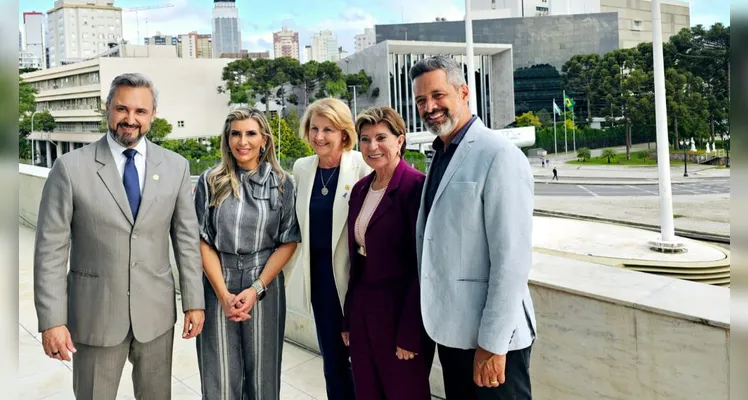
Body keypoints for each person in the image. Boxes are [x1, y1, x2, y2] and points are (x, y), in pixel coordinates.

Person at [34, 73, 205, 399]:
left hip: (155, 317)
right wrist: (52, 321)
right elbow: (50, 251)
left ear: (153, 114)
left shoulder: (176, 167)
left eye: (140, 111)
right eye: (121, 109)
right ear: (108, 109)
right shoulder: (69, 168)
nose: (130, 119)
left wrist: (194, 302)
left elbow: (186, 239)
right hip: (94, 315)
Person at [410, 55, 537, 399]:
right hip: (452, 334)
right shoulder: (440, 153)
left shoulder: (499, 154)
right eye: (421, 100)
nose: (429, 106)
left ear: (464, 92)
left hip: (492, 341)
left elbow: (512, 260)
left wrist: (493, 345)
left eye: (438, 95)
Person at [193, 107, 300, 399]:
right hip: (219, 279)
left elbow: (289, 240)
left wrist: (256, 289)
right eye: (235, 134)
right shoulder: (209, 181)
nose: (243, 141)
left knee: (263, 374)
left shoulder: (283, 183)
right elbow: (201, 240)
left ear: (264, 139)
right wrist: (224, 295)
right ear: (227, 140)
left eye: (251, 133)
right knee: (219, 374)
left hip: (263, 280)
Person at [343, 106, 435, 400]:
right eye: (365, 139)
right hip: (363, 312)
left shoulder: (415, 187)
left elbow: (422, 265)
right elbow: (355, 261)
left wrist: (410, 332)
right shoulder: (359, 189)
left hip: (400, 316)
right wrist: (348, 318)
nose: (372, 147)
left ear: (400, 140)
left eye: (381, 137)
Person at [286, 97, 371, 399]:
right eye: (314, 128)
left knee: (363, 364)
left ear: (344, 133)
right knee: (333, 364)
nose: (319, 136)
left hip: (356, 283)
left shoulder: (361, 164)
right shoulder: (302, 168)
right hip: (321, 284)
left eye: (328, 129)